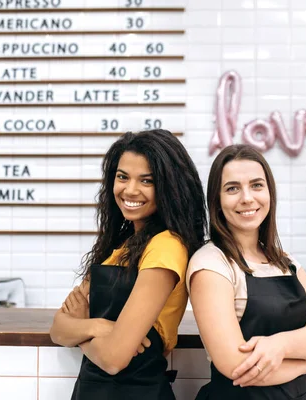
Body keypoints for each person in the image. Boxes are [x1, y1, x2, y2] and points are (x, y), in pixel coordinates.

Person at [49, 129, 207, 400]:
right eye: (123, 177)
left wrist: (84, 328)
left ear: (170, 188)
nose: (130, 189)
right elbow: (58, 329)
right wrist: (99, 327)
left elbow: (113, 358)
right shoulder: (120, 247)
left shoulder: (167, 246)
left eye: (147, 181)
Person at [187, 144, 306, 400]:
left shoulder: (284, 261)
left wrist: (279, 345)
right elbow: (236, 366)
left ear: (269, 193)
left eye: (257, 185)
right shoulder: (211, 264)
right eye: (232, 188)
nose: (247, 197)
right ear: (216, 200)